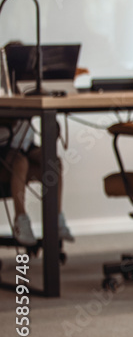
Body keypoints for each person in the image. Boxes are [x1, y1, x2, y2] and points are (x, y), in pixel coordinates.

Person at [0, 41, 74, 246]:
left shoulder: (29, 88)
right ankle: (20, 219)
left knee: (53, 161)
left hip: (25, 144)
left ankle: (56, 220)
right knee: (21, 162)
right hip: (5, 149)